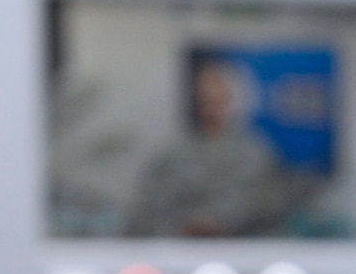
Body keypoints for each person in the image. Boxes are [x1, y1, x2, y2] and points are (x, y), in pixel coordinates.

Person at [124, 57, 293, 239]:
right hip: (177, 249)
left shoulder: (256, 151)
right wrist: (183, 225)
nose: (211, 107)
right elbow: (149, 204)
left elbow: (268, 204)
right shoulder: (172, 153)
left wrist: (221, 221)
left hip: (240, 249)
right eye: (205, 99)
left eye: (219, 99)